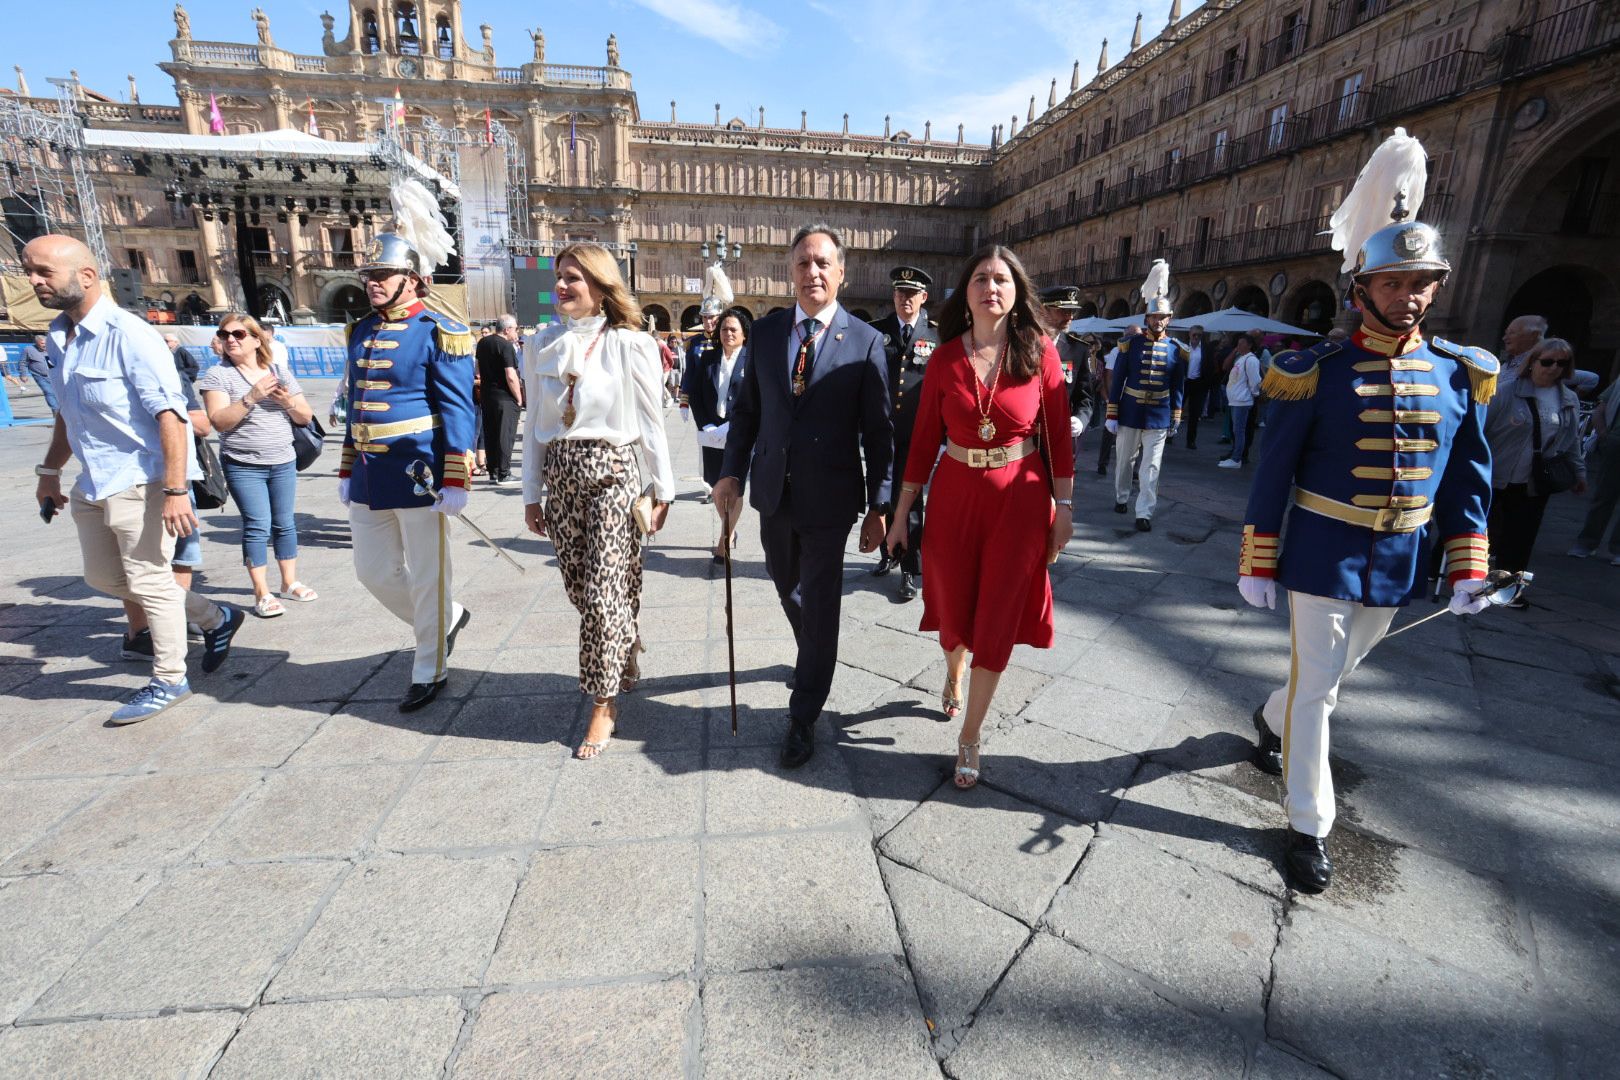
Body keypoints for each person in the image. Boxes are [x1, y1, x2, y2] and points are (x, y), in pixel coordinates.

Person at [1237, 129, 1497, 893]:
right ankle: (1309, 823)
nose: (1408, 296)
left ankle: (1271, 713)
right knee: (1323, 687)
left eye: (1421, 282)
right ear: (1364, 290)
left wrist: (1467, 566)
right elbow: (1273, 470)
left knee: (1331, 676)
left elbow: (1466, 480)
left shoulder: (1460, 375)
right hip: (1321, 547)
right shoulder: (1312, 371)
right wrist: (1259, 554)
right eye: (1394, 283)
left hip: (1401, 555)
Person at [24, 234, 244, 723]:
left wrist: (174, 490)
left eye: (44, 272)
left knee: (149, 578)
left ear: (85, 276)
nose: (34, 281)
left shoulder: (130, 335)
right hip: (94, 480)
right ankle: (215, 616)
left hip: (142, 479)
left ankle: (169, 679)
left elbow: (172, 416)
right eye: (29, 271)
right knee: (102, 577)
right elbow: (69, 414)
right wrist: (48, 472)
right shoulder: (59, 335)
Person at [887, 247, 1075, 788]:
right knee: (951, 610)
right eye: (980, 279)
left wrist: (1064, 508)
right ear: (964, 293)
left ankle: (970, 734)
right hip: (954, 497)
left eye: (1001, 279)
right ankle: (954, 670)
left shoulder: (1040, 352)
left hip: (1020, 498)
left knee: (996, 616)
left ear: (1016, 292)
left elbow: (1058, 437)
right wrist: (902, 514)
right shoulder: (945, 357)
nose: (991, 287)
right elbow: (923, 443)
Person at [713, 223, 891, 770]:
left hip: (831, 497)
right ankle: (816, 646)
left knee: (820, 602)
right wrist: (730, 475)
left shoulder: (866, 342)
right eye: (802, 263)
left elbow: (880, 430)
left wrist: (882, 504)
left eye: (822, 263)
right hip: (772, 491)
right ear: (790, 272)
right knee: (786, 586)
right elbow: (747, 414)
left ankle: (804, 712)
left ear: (841, 272)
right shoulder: (765, 335)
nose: (812, 272)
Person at [522, 243, 674, 759]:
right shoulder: (541, 341)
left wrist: (664, 489)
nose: (562, 285)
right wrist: (529, 494)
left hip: (615, 475)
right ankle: (624, 646)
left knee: (604, 594)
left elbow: (653, 421)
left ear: (601, 285)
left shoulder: (630, 344)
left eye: (575, 278)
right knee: (582, 590)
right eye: (560, 276)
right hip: (560, 475)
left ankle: (602, 703)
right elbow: (534, 428)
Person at [338, 190, 478, 714]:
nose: (372, 282)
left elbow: (458, 408)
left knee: (426, 573)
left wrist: (457, 476)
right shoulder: (361, 331)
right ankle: (446, 619)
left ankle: (429, 667)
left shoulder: (441, 331)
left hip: (419, 467)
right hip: (372, 473)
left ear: (413, 279)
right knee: (372, 572)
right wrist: (349, 466)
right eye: (369, 273)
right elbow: (357, 402)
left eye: (383, 274)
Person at [199, 313, 318, 618]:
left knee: (285, 522)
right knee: (257, 526)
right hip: (243, 463)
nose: (230, 340)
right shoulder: (218, 375)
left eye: (238, 334)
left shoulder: (278, 372)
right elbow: (219, 422)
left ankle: (289, 582)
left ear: (256, 339)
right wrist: (251, 397)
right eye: (224, 334)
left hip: (283, 459)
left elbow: (305, 417)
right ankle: (261, 593)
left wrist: (285, 401)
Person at [122, 335, 212, 659]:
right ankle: (141, 630)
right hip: (123, 483)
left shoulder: (169, 374)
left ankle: (183, 622)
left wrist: (176, 490)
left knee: (179, 557)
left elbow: (201, 424)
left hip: (170, 479)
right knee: (129, 567)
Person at [1484, 338, 1586, 593]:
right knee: (1476, 527)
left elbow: (1571, 439)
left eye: (1561, 363)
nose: (1553, 368)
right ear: (1532, 362)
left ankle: (1508, 589)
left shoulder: (1568, 399)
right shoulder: (1506, 390)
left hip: (1534, 481)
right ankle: (1442, 571)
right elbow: (1481, 430)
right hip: (1495, 472)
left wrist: (1579, 472)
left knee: (1521, 536)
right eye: (1547, 361)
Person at [871, 266, 940, 600]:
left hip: (916, 435)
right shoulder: (875, 331)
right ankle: (887, 555)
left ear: (923, 298)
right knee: (882, 496)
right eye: (900, 293)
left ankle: (911, 569)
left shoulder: (937, 336)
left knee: (911, 503)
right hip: (881, 433)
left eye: (912, 294)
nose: (905, 299)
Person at [1105, 262, 1188, 531]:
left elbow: (1177, 385)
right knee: (1125, 461)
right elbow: (1118, 380)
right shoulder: (1131, 345)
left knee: (1151, 467)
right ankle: (1121, 496)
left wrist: (1176, 415)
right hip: (1130, 410)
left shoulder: (1177, 350)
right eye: (1154, 317)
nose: (1158, 321)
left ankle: (1144, 513)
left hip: (1159, 414)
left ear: (1169, 319)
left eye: (1163, 317)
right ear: (1147, 319)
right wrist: (1112, 412)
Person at [683, 305, 751, 562]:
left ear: (744, 334)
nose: (728, 333)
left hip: (740, 435)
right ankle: (729, 528)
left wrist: (736, 425)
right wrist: (706, 425)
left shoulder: (751, 360)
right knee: (715, 487)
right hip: (712, 434)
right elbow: (698, 396)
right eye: (724, 329)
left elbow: (755, 400)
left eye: (733, 329)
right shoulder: (707, 359)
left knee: (736, 487)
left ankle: (725, 539)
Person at [1037, 285, 1097, 480]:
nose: (1069, 317)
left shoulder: (1077, 349)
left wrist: (1080, 419)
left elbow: (1085, 398)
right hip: (1023, 439)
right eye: (1063, 311)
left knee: (1057, 496)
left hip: (1060, 438)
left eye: (1072, 311)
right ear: (1042, 310)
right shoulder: (1022, 345)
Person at [1569, 378, 1620, 563]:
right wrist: (1604, 435)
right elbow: (1601, 408)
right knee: (1603, 496)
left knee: (1603, 497)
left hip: (1613, 441)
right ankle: (1587, 542)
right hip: (1615, 443)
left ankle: (1614, 548)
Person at [476, 313, 524, 486]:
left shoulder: (482, 342)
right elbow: (510, 375)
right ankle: (504, 473)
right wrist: (519, 398)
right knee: (506, 434)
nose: (516, 332)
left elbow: (478, 368)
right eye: (515, 328)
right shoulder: (505, 346)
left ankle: (493, 471)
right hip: (504, 396)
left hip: (488, 394)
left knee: (491, 433)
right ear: (507, 329)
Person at [1218, 334, 1262, 469]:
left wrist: (1254, 395)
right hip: (1236, 401)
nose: (1239, 346)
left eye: (1242, 343)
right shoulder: (1242, 358)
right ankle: (1235, 457)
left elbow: (1255, 381)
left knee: (1239, 431)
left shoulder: (1251, 360)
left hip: (1242, 401)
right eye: (1238, 343)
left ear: (1249, 345)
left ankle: (1237, 459)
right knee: (1236, 430)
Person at [1095, 329, 1135, 475]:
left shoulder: (1142, 350)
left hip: (1134, 398)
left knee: (1136, 433)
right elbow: (1109, 376)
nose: (1133, 339)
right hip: (1117, 396)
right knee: (1109, 432)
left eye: (1136, 335)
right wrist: (1111, 399)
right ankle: (1102, 463)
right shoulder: (1116, 351)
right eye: (1130, 335)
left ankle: (1133, 468)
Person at [1182, 326, 1210, 449]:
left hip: (1198, 383)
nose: (1196, 337)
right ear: (1189, 334)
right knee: (1176, 409)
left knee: (1195, 413)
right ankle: (1169, 436)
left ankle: (1191, 440)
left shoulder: (1206, 349)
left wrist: (1206, 383)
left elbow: (1210, 367)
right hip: (1184, 382)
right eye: (1194, 335)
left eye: (1199, 335)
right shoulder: (1183, 347)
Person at [22, 334, 57, 412]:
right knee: (49, 392)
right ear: (37, 343)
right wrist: (23, 374)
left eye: (45, 343)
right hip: (40, 376)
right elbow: (23, 362)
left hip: (53, 375)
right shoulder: (29, 349)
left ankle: (61, 414)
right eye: (42, 343)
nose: (44, 345)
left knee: (57, 394)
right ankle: (55, 411)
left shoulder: (51, 348)